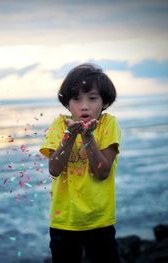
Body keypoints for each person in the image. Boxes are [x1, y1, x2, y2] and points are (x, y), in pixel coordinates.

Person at [40, 63, 121, 263]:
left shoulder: (108, 124)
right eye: (76, 99)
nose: (84, 106)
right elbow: (54, 169)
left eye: (92, 98)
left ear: (104, 101)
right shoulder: (60, 125)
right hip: (64, 221)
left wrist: (87, 137)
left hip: (99, 220)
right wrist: (70, 135)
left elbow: (102, 172)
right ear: (67, 104)